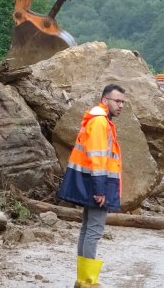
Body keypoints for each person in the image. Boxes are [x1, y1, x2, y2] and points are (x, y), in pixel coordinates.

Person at [58, 84, 124, 288]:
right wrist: (100, 190)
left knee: (88, 230)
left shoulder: (98, 121)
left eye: (123, 102)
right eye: (117, 101)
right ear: (105, 100)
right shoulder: (100, 123)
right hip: (97, 184)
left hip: (93, 182)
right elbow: (97, 158)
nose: (121, 105)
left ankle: (82, 280)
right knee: (93, 231)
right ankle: (88, 281)